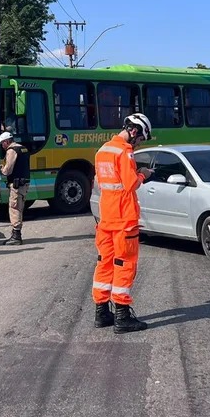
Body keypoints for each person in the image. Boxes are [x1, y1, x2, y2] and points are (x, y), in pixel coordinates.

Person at [92, 113, 154, 334]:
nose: (138, 145)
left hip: (106, 218)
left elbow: (100, 183)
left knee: (105, 263)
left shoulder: (102, 151)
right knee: (124, 264)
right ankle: (122, 316)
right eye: (140, 140)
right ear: (134, 132)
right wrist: (144, 174)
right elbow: (130, 185)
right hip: (123, 220)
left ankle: (101, 312)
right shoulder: (124, 151)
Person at [0, 131, 30, 246]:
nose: (2, 146)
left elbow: (8, 170)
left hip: (16, 185)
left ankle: (16, 236)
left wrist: (1, 169)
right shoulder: (24, 149)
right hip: (24, 183)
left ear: (6, 142)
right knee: (19, 206)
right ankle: (16, 234)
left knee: (14, 207)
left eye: (2, 144)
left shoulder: (12, 150)